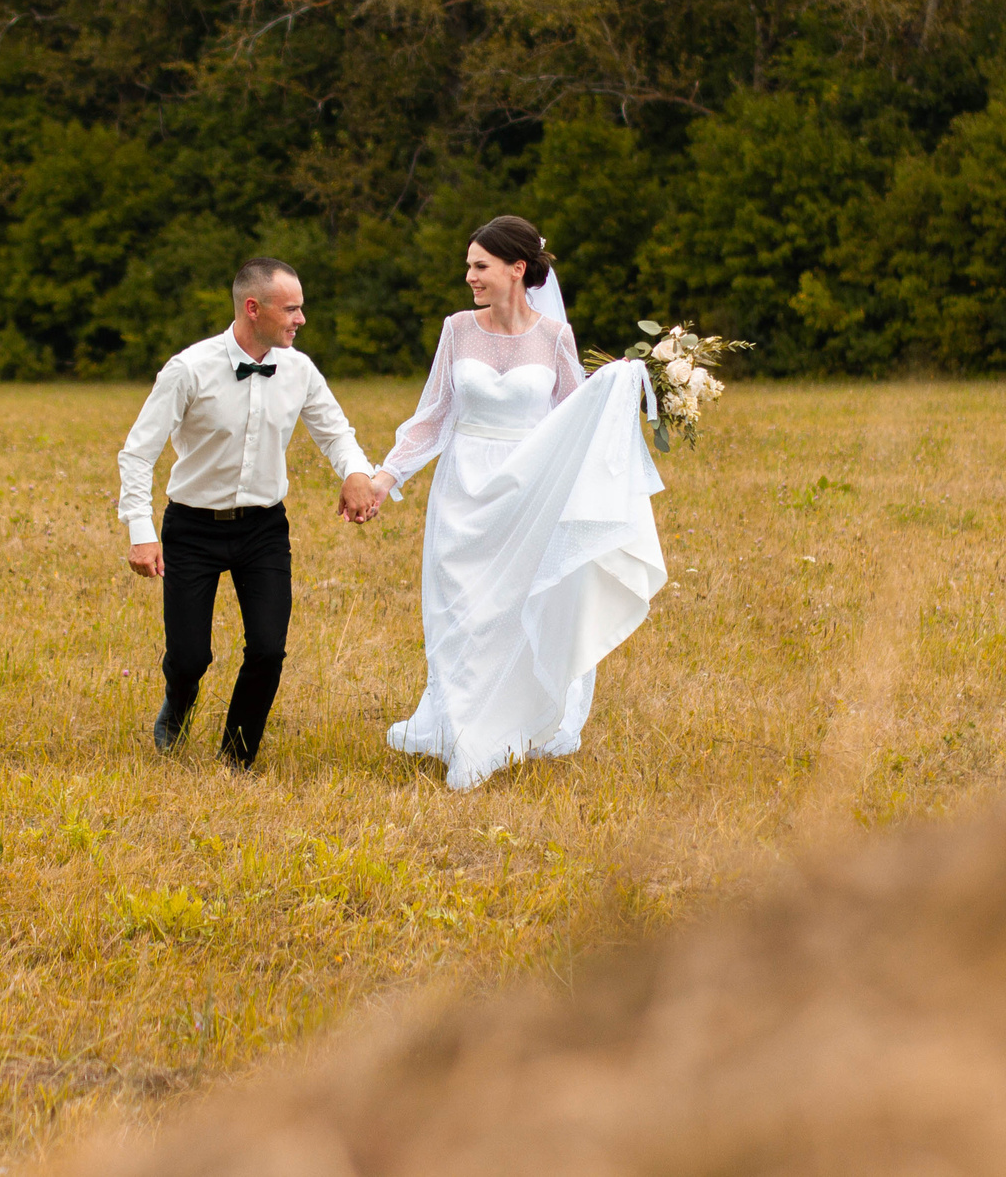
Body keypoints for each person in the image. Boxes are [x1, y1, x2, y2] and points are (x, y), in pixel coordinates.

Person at [364, 215, 667, 791]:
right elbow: (433, 416)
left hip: (526, 492)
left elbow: (576, 415)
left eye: (480, 265)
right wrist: (385, 476)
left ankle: (497, 734)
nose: (470, 276)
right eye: (469, 266)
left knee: (511, 613)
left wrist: (621, 386)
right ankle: (462, 733)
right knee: (460, 616)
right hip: (461, 492)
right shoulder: (457, 329)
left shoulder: (554, 337)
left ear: (516, 269)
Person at [116, 258, 385, 770]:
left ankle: (237, 758)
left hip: (264, 529)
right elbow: (137, 453)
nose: (301, 319)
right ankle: (179, 702)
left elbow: (336, 432)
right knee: (190, 657)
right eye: (292, 309)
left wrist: (356, 472)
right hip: (192, 527)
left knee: (267, 650)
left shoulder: (299, 370)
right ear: (253, 308)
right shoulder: (189, 369)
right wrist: (141, 531)